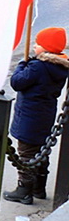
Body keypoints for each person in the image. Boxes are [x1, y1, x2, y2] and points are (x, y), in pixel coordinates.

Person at [4, 27, 69, 204]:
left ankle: (24, 190)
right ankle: (39, 188)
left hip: (29, 116)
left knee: (26, 153)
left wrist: (22, 64)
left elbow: (17, 82)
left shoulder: (37, 67)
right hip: (45, 115)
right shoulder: (59, 66)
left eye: (38, 44)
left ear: (47, 49)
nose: (33, 46)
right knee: (41, 151)